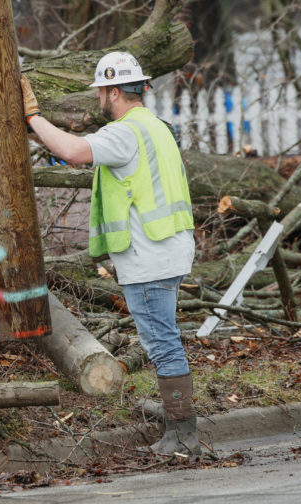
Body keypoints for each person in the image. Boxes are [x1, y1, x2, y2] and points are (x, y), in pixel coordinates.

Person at [21, 52, 202, 456]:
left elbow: (72, 151)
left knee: (162, 343)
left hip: (150, 255)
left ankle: (183, 434)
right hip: (165, 248)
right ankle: (178, 423)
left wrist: (32, 116)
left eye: (101, 91)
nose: (98, 99)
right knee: (162, 339)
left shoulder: (125, 133)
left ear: (114, 91)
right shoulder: (152, 126)